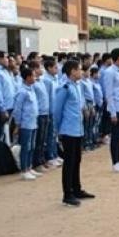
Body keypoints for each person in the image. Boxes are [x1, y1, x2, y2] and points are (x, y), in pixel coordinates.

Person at [53, 59, 94, 207]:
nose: (81, 72)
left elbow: (79, 105)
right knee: (69, 162)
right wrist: (57, 130)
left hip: (78, 128)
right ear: (72, 71)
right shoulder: (64, 88)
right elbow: (57, 111)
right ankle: (67, 193)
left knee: (77, 160)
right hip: (68, 129)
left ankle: (77, 189)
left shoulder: (77, 86)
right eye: (79, 69)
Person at [13, 67, 40, 181]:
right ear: (28, 77)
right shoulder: (22, 92)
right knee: (25, 146)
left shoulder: (31, 89)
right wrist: (17, 124)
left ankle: (29, 167)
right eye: (33, 75)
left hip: (33, 122)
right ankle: (24, 170)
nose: (35, 78)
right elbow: (18, 109)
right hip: (25, 123)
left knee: (32, 146)